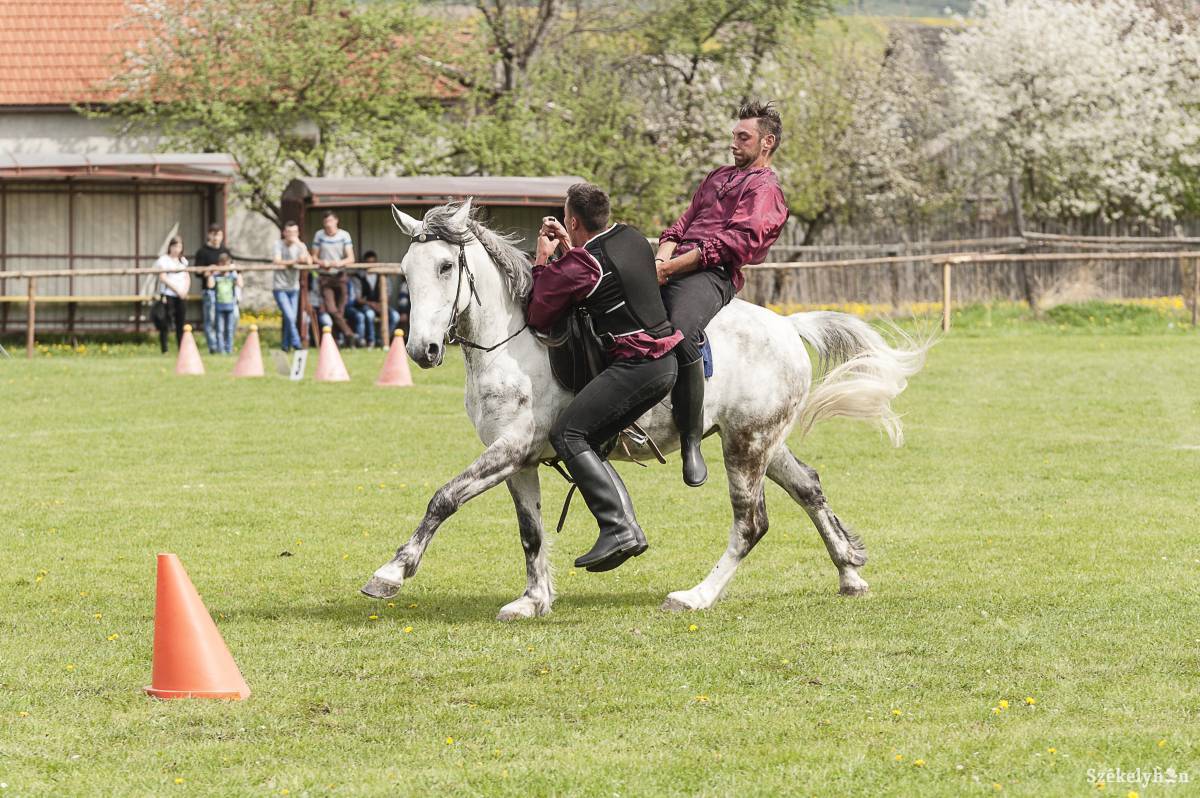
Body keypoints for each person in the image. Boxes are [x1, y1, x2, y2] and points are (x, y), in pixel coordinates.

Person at [529, 182, 683, 573]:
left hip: (637, 366)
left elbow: (539, 312)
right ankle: (627, 529)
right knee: (590, 440)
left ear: (572, 221)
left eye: (566, 217)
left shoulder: (583, 264)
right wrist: (571, 246)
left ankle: (617, 528)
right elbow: (603, 274)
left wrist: (542, 258)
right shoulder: (633, 238)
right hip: (666, 363)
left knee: (568, 434)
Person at [655, 100, 790, 487]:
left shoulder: (766, 190)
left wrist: (669, 269)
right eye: (734, 136)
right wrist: (660, 261)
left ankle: (691, 439)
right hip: (671, 263)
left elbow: (730, 245)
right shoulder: (717, 177)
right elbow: (681, 225)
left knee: (680, 330)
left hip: (711, 275)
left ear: (767, 142)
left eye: (743, 137)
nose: (733, 143)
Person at [311, 210, 360, 347]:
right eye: (326, 222)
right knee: (332, 310)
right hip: (325, 277)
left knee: (340, 311)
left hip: (340, 276)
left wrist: (339, 263)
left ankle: (340, 341)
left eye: (331, 221)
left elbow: (351, 258)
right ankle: (350, 335)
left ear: (336, 221)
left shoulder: (344, 235)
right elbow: (313, 257)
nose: (328, 224)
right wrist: (322, 262)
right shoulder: (319, 235)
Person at [194, 223, 231, 354]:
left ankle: (225, 346)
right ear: (209, 235)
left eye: (219, 234)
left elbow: (232, 268)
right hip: (209, 291)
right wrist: (209, 271)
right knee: (211, 319)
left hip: (226, 292)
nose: (216, 237)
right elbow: (197, 272)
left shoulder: (225, 251)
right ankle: (213, 347)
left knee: (229, 319)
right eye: (214, 234)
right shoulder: (202, 252)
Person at [272, 221, 309, 351]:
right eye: (289, 232)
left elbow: (309, 261)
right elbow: (277, 261)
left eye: (294, 232)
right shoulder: (278, 244)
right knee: (290, 317)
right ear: (284, 233)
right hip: (280, 287)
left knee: (291, 318)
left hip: (294, 288)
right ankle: (297, 344)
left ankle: (285, 346)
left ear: (297, 233)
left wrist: (300, 245)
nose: (291, 235)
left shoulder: (300, 246)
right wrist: (295, 261)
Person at [154, 236, 190, 353]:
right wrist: (177, 290)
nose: (176, 249)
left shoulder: (183, 261)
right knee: (166, 323)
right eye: (174, 246)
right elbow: (163, 277)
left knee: (181, 323)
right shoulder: (164, 260)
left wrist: (184, 291)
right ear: (170, 247)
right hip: (168, 295)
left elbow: (187, 277)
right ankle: (165, 349)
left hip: (182, 296)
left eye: (179, 246)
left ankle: (181, 349)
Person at [206, 253, 243, 355]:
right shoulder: (217, 276)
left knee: (230, 329)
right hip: (219, 306)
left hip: (230, 305)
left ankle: (229, 349)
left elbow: (240, 284)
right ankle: (221, 350)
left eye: (227, 264)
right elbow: (210, 285)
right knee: (220, 329)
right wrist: (211, 273)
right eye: (223, 264)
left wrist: (238, 272)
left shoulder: (232, 276)